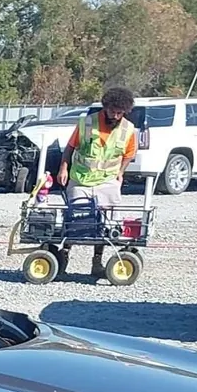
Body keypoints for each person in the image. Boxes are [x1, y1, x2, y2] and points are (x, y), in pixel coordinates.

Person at [55, 85, 138, 277]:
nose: (115, 116)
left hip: (107, 181)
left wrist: (121, 172)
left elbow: (129, 154)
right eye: (113, 111)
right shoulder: (86, 123)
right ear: (105, 107)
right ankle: (63, 257)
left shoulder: (128, 129)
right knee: (76, 220)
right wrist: (63, 168)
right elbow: (70, 148)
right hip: (81, 179)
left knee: (105, 224)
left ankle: (97, 261)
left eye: (120, 113)